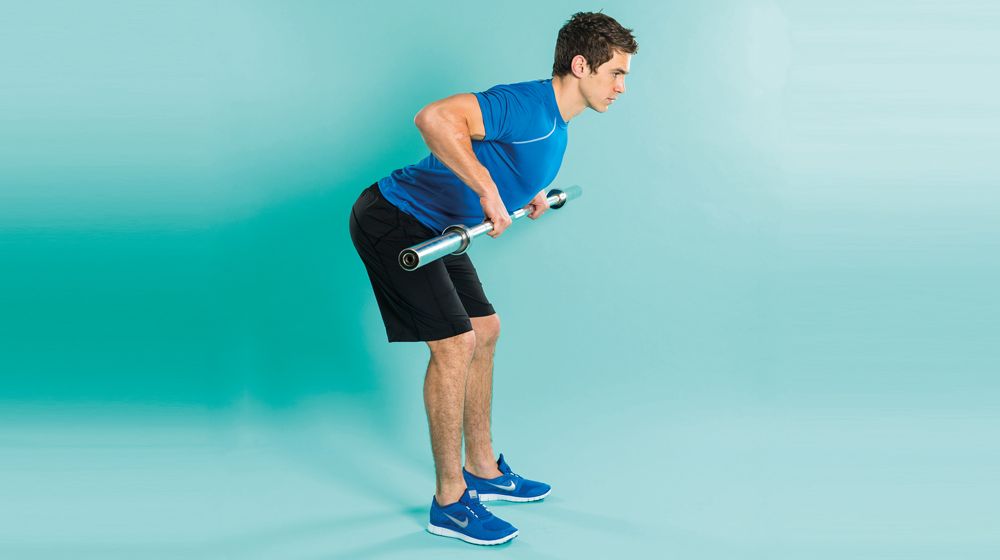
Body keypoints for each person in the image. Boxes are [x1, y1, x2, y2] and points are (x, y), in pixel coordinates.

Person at [349, 11, 637, 546]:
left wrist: (519, 194)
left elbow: (512, 161)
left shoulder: (556, 123)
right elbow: (432, 118)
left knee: (486, 329)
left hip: (438, 223)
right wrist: (487, 192)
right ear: (581, 65)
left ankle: (483, 469)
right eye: (615, 73)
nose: (621, 87)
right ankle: (450, 501)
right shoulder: (526, 104)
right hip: (394, 219)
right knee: (455, 344)